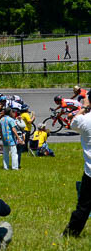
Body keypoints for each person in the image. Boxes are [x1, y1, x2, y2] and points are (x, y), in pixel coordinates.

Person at [64, 94, 91, 237]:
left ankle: (71, 234)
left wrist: (85, 107)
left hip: (90, 172)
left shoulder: (84, 120)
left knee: (83, 206)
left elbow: (72, 123)